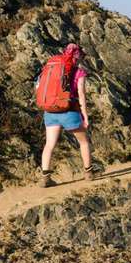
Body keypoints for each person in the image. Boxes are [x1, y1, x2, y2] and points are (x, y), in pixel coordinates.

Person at [36, 43, 102, 187]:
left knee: (49, 145)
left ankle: (45, 178)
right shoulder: (79, 73)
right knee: (84, 142)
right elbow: (81, 95)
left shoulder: (52, 68)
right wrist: (85, 116)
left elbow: (39, 85)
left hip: (50, 111)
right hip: (69, 111)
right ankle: (89, 172)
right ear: (78, 57)